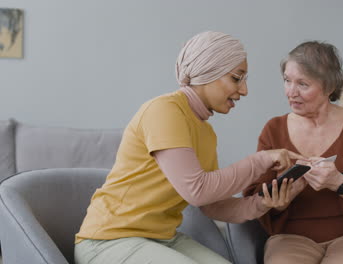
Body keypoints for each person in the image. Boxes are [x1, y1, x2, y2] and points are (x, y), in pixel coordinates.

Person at [74, 31, 305, 264]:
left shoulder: (206, 132)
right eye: (236, 78)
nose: (244, 90)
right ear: (208, 72)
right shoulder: (164, 111)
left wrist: (262, 203)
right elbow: (197, 190)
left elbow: (212, 206)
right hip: (109, 241)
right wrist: (260, 161)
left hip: (161, 238)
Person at [244, 41, 343, 264]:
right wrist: (284, 196)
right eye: (287, 81)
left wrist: (339, 182)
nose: (291, 92)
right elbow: (255, 199)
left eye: (303, 84)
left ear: (329, 87)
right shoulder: (273, 129)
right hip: (291, 238)